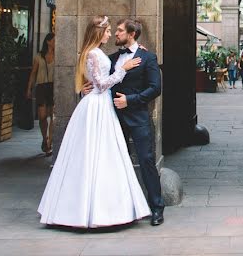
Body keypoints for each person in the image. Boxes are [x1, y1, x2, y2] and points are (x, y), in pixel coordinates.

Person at [37, 16, 150, 228]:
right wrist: (123, 69)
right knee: (94, 153)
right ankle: (87, 211)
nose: (111, 34)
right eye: (108, 31)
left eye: (113, 31)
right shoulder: (93, 54)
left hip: (102, 105)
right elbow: (100, 85)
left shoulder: (97, 53)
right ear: (99, 32)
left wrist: (136, 50)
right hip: (97, 105)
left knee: (105, 154)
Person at [101, 19, 165, 226]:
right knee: (116, 162)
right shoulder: (111, 59)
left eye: (120, 31)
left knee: (146, 160)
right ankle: (120, 208)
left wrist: (130, 100)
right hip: (114, 118)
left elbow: (155, 88)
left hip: (138, 118)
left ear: (132, 34)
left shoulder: (148, 58)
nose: (116, 34)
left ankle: (157, 208)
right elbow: (101, 83)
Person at [25, 32, 55, 155]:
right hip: (41, 87)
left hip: (53, 86)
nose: (55, 42)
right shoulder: (39, 56)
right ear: (48, 42)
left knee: (53, 116)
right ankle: (44, 138)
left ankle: (50, 142)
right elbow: (33, 73)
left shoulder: (58, 55)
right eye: (53, 40)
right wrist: (29, 89)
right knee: (42, 116)